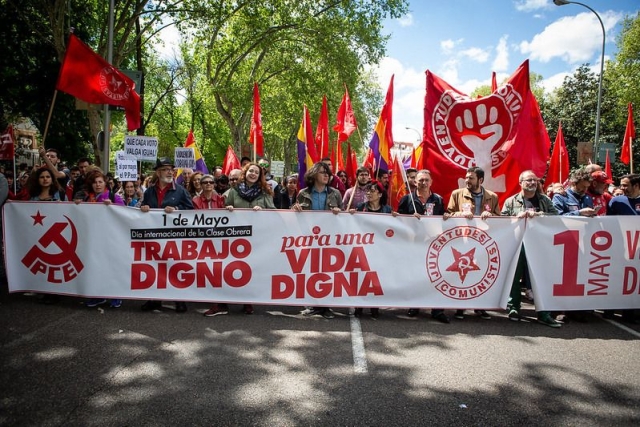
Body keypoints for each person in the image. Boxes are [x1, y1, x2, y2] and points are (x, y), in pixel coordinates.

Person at [205, 163, 275, 317]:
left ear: (260, 176)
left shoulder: (265, 192)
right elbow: (224, 210)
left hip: (256, 238)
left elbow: (274, 212)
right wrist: (228, 209)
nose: (253, 174)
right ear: (245, 172)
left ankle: (247, 302)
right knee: (227, 268)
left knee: (248, 270)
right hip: (234, 237)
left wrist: (263, 211)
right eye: (251, 171)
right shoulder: (233, 191)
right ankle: (222, 303)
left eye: (256, 172)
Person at [501, 170, 561, 328]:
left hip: (540, 247)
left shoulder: (544, 200)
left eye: (535, 180)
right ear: (520, 182)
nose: (533, 183)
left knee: (540, 278)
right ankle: (514, 308)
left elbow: (556, 217)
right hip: (518, 245)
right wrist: (515, 218)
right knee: (515, 276)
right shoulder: (511, 201)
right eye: (529, 180)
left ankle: (543, 313)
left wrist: (540, 216)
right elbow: (502, 222)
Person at [139, 157, 194, 313]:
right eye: (165, 169)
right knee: (155, 266)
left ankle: (179, 299)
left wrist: (177, 208)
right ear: (158, 172)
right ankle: (155, 299)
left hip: (174, 236)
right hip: (155, 235)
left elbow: (190, 210)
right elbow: (144, 208)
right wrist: (144, 207)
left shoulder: (181, 191)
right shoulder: (149, 191)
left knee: (176, 266)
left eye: (171, 169)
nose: (170, 172)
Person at [444, 166, 499, 320]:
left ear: (480, 180)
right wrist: (460, 214)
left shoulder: (492, 197)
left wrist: (491, 215)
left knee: (481, 272)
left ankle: (480, 306)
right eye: (466, 177)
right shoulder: (457, 194)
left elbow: (500, 219)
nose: (467, 180)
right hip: (463, 240)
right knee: (462, 273)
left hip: (483, 241)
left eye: (471, 178)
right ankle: (460, 307)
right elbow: (447, 215)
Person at [397, 169, 450, 323]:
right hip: (414, 245)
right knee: (416, 275)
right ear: (415, 182)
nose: (423, 183)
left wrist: (446, 216)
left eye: (426, 180)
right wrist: (408, 218)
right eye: (420, 180)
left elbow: (443, 218)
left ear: (431, 182)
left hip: (434, 245)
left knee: (436, 276)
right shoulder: (407, 199)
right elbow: (398, 220)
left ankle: (437, 310)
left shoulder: (438, 199)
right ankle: (415, 305)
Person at [292, 161, 343, 319]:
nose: (326, 175)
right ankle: (313, 304)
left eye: (328, 172)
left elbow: (343, 217)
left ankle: (325, 306)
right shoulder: (303, 193)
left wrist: (339, 212)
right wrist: (294, 209)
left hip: (329, 239)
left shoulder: (335, 194)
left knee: (327, 271)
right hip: (309, 238)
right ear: (314, 175)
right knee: (311, 270)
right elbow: (294, 213)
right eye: (322, 172)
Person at [77, 169, 125, 308]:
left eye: (100, 182)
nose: (97, 185)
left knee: (111, 268)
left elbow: (124, 214)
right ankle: (98, 296)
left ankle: (115, 295)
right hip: (93, 239)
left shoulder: (114, 197)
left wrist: (113, 207)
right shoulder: (87, 199)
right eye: (95, 183)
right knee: (95, 267)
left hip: (110, 239)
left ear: (105, 183)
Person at [349, 180, 397, 319]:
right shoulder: (360, 207)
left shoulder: (387, 210)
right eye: (367, 191)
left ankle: (374, 306)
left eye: (372, 191)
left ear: (380, 194)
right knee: (361, 277)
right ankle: (359, 306)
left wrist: (397, 218)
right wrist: (349, 215)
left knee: (376, 278)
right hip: (363, 248)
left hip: (380, 250)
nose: (369, 193)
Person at [604, 173, 640, 324]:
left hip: (637, 250)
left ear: (636, 186)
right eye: (621, 185)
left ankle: (629, 312)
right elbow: (608, 222)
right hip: (619, 247)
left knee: (634, 279)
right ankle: (609, 309)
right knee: (616, 277)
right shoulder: (616, 201)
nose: (622, 188)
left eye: (625, 185)